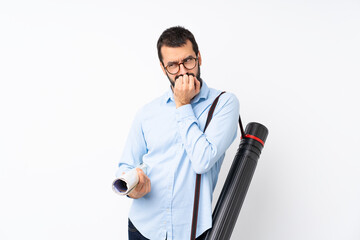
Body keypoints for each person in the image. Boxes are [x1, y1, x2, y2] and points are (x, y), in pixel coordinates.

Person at [115, 26, 239, 240]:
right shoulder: (148, 112)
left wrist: (183, 105)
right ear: (163, 69)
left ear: (199, 58)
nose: (182, 71)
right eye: (173, 65)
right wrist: (133, 190)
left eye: (188, 61)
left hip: (190, 231)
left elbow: (203, 161)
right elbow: (126, 166)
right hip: (143, 228)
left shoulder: (224, 104)